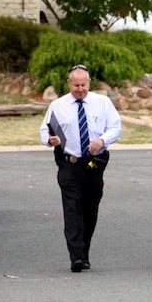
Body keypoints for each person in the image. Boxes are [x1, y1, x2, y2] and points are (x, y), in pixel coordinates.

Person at [39, 64, 122, 272]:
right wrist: (50, 140)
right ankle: (75, 256)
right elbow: (44, 129)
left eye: (83, 85)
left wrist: (102, 140)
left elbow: (116, 128)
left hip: (94, 164)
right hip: (70, 164)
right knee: (72, 209)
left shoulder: (102, 103)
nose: (80, 89)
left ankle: (84, 252)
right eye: (75, 85)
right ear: (69, 84)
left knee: (89, 210)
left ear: (89, 83)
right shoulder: (58, 106)